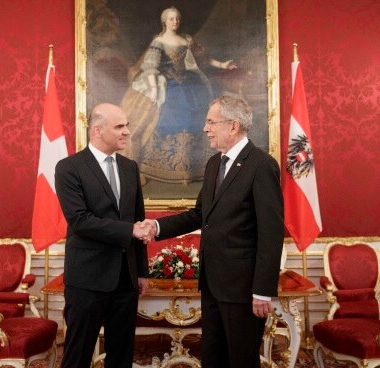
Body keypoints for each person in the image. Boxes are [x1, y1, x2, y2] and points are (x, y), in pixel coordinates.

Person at [141, 94, 284, 367]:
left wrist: (263, 290)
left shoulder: (261, 165)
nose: (205, 128)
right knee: (214, 358)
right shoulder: (214, 164)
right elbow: (199, 215)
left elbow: (271, 231)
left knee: (241, 360)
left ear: (233, 125)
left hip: (243, 289)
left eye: (211, 122)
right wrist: (156, 226)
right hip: (213, 284)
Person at [55, 103, 151, 368]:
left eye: (126, 125)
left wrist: (141, 271)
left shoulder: (130, 167)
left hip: (126, 278)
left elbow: (137, 221)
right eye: (120, 126)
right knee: (78, 355)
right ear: (97, 130)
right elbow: (80, 221)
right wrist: (129, 230)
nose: (127, 132)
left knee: (121, 355)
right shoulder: (69, 168)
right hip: (87, 279)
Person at [121, 6, 237, 185]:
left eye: (177, 18)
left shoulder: (187, 40)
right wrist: (155, 81)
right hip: (169, 83)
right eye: (171, 19)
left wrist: (222, 65)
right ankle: (164, 165)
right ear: (164, 22)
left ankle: (194, 166)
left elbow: (202, 61)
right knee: (171, 113)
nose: (175, 22)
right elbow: (151, 65)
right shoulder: (158, 42)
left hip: (189, 82)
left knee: (198, 113)